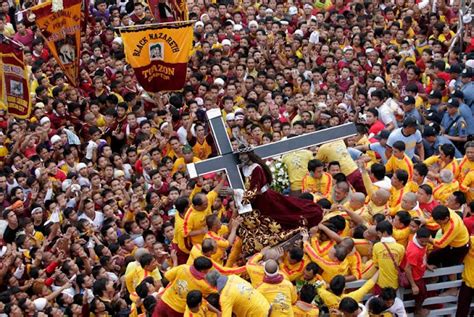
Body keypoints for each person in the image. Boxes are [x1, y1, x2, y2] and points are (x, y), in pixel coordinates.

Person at [235, 146, 323, 228]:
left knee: (285, 214)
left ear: (249, 154)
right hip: (256, 200)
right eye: (239, 155)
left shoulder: (256, 168)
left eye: (243, 154)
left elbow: (254, 190)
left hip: (265, 199)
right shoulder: (243, 168)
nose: (240, 157)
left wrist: (234, 192)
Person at [205, 270, 271, 317]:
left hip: (257, 314)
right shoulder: (233, 277)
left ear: (212, 285)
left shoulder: (225, 297)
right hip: (265, 305)